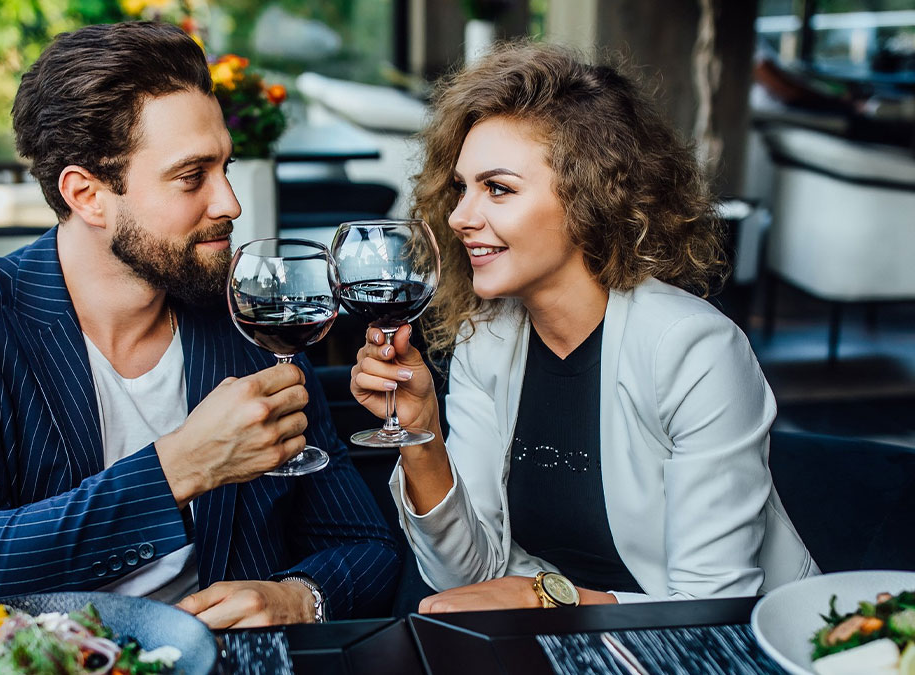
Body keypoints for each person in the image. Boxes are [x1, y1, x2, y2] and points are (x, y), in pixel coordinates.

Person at [0, 21, 398, 649]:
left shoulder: (247, 318)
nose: (230, 202)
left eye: (225, 167)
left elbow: (363, 545)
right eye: (192, 176)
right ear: (87, 194)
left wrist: (299, 597)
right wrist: (181, 467)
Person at [350, 41, 817, 612]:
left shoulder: (693, 349)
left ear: (590, 195)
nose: (458, 217)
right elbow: (461, 575)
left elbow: (712, 608)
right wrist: (421, 434)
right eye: (461, 188)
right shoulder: (488, 341)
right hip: (553, 641)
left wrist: (545, 600)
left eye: (497, 188)